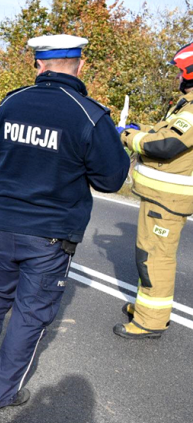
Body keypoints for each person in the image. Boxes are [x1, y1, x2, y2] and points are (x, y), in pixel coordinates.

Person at [0, 34, 129, 409]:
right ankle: (0, 394)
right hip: (50, 235)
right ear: (79, 66)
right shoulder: (89, 115)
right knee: (30, 315)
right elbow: (111, 180)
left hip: (3, 225)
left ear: (39, 65)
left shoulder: (11, 102)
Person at [115, 42, 193, 339]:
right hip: (160, 197)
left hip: (169, 200)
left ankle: (151, 322)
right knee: (146, 253)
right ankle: (147, 309)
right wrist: (138, 128)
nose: (177, 78)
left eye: (180, 72)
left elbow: (165, 145)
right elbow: (164, 131)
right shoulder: (185, 103)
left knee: (155, 258)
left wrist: (128, 136)